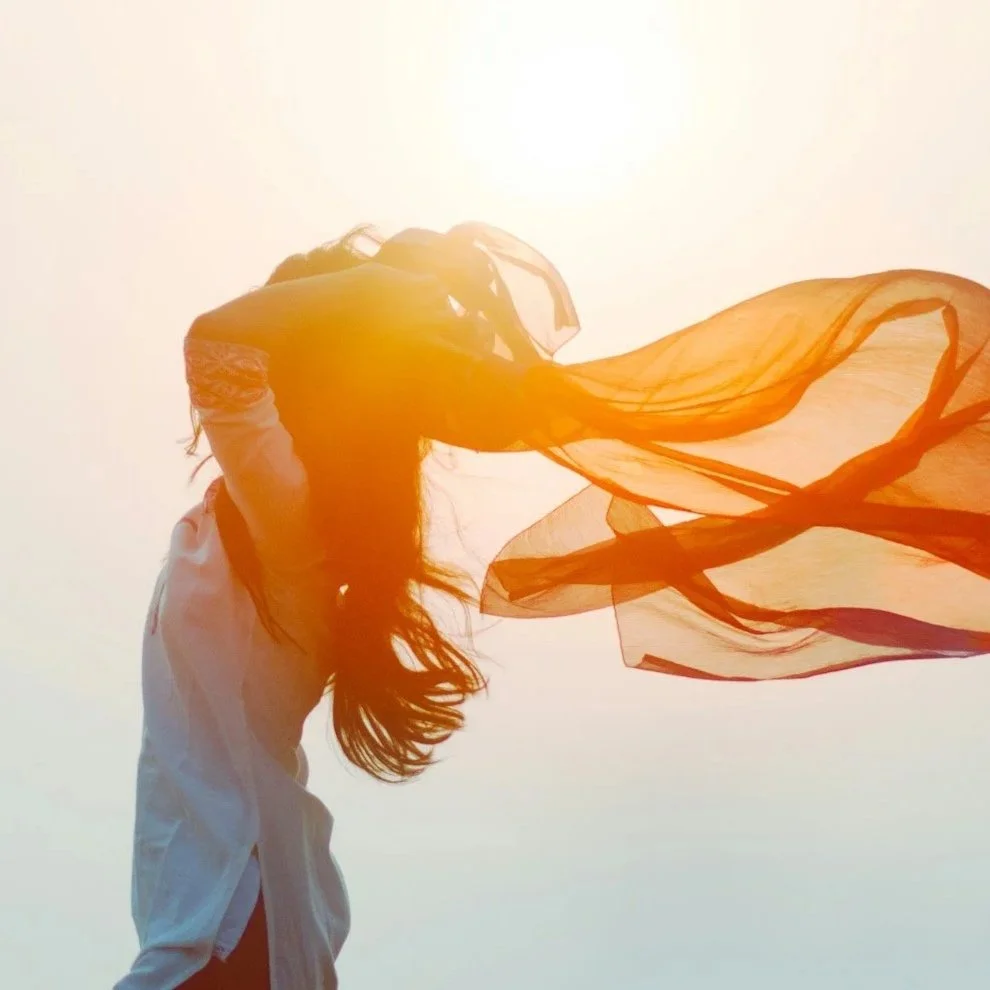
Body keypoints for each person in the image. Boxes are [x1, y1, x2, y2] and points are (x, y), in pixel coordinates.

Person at [118, 221, 990, 988]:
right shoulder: (263, 516)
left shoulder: (288, 517)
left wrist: (375, 294)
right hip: (228, 904)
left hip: (230, 912)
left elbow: (218, 347)